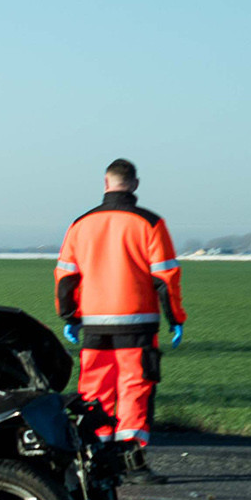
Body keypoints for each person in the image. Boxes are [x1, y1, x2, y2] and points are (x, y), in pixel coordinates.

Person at [56, 158, 187, 481]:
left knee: (94, 392)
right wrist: (176, 318)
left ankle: (95, 462)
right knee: (134, 390)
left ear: (105, 183)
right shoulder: (150, 223)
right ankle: (133, 463)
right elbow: (166, 278)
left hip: (94, 327)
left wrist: (70, 317)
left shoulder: (80, 224)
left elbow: (65, 277)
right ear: (136, 184)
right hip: (137, 325)